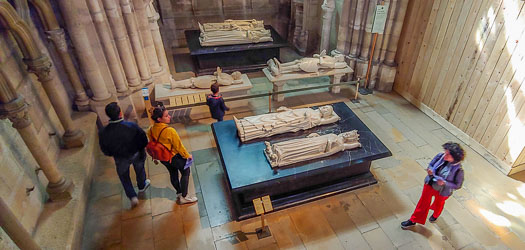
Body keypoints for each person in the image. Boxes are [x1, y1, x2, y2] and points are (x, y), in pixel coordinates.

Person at [401, 142, 465, 229]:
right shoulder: (440, 156)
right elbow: (431, 164)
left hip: (443, 191)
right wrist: (430, 169)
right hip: (430, 183)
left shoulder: (459, 170)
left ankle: (435, 215)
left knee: (439, 204)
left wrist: (445, 183)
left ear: (455, 157)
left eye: (448, 154)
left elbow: (458, 185)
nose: (445, 155)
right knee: (423, 203)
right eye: (445, 152)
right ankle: (413, 220)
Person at [99, 102, 150, 208]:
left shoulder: (103, 132)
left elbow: (104, 149)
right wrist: (141, 149)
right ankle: (142, 185)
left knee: (124, 177)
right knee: (140, 170)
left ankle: (132, 197)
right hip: (135, 154)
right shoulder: (131, 126)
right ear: (120, 113)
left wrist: (112, 153)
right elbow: (143, 139)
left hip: (120, 158)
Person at [148, 104, 198, 204]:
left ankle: (179, 192)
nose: (169, 117)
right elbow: (178, 147)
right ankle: (184, 196)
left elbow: (152, 141)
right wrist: (187, 156)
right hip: (174, 156)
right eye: (166, 116)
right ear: (159, 119)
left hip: (163, 158)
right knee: (185, 172)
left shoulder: (151, 129)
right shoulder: (170, 131)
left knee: (173, 173)